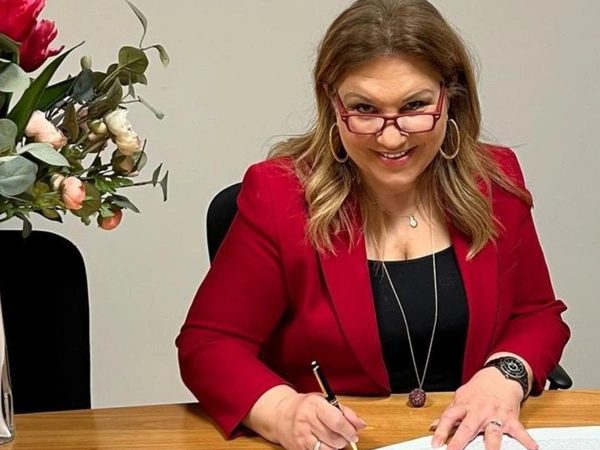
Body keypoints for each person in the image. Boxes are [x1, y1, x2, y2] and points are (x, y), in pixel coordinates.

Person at [176, 1, 570, 449]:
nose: (391, 136)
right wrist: (282, 411)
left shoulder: (494, 179)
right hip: (343, 442)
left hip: (472, 438)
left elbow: (537, 315)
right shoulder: (278, 195)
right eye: (364, 108)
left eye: (415, 105)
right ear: (332, 102)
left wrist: (505, 374)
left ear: (451, 96)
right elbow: (209, 343)